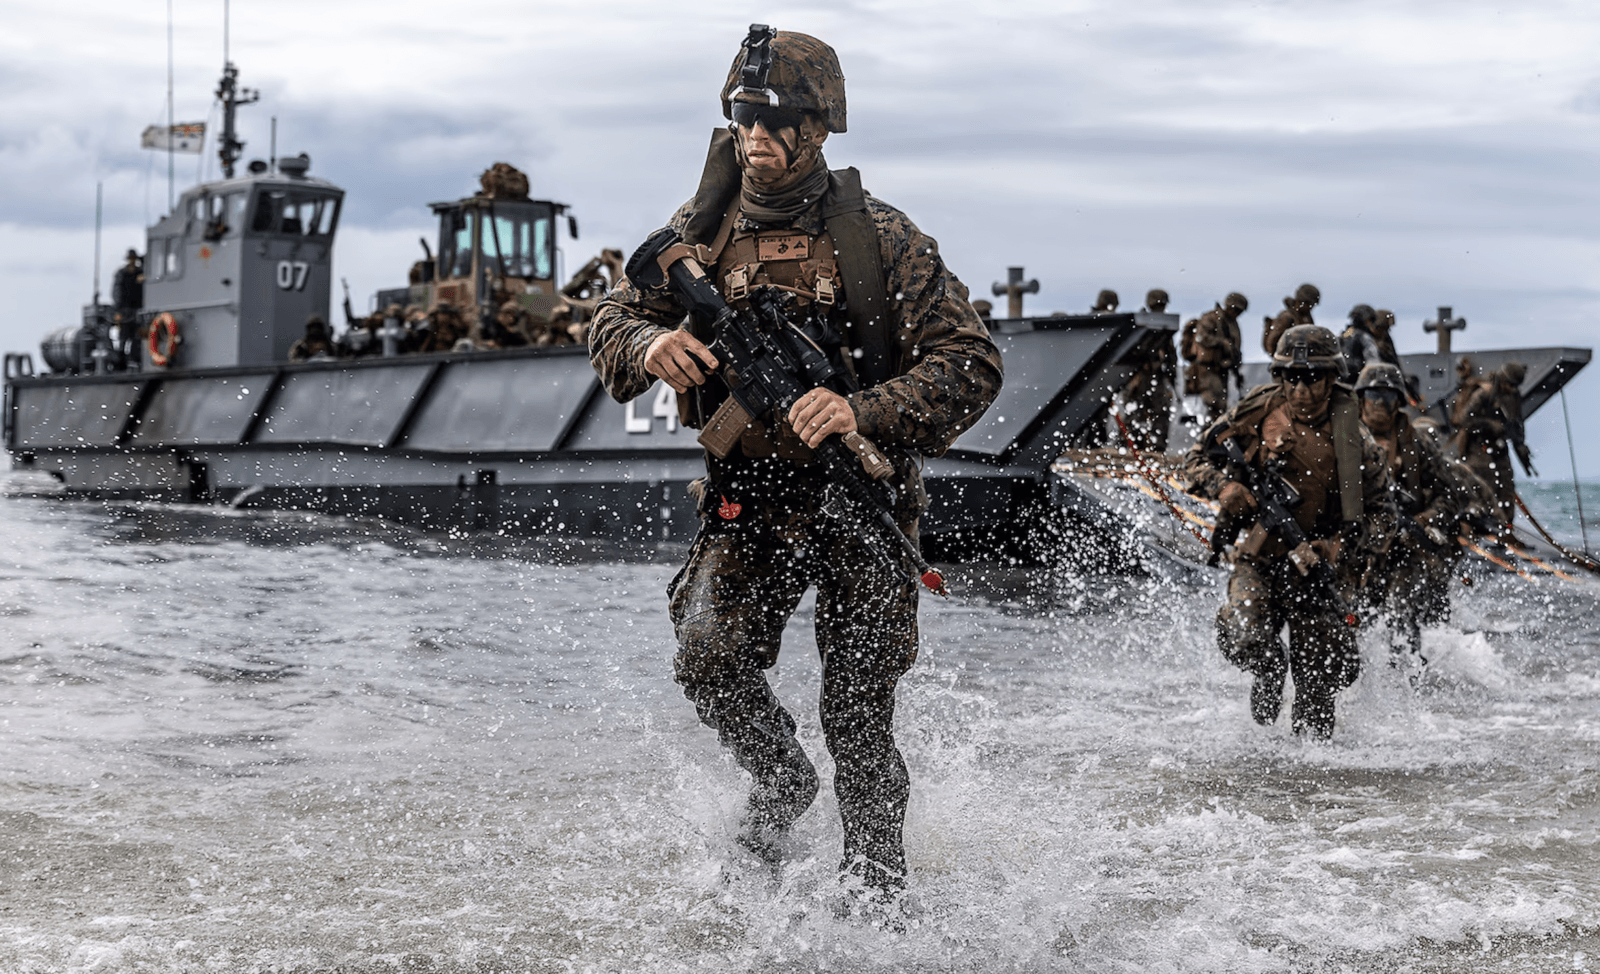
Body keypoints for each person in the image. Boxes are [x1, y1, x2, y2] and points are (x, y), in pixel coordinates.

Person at [587, 25, 1003, 900]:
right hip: (750, 498)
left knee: (856, 719)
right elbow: (608, 323)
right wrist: (649, 341)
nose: (757, 136)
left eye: (778, 121)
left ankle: (875, 905)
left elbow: (971, 363)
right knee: (706, 657)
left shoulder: (883, 239)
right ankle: (779, 780)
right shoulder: (695, 237)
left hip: (862, 504)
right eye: (744, 117)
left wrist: (861, 409)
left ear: (820, 130)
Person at [1199, 325, 1393, 738]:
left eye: (1311, 378)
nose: (1301, 390)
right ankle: (1268, 669)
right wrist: (1225, 487)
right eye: (1291, 378)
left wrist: (1340, 547)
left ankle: (1313, 785)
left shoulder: (1356, 440)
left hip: (1318, 571)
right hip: (1261, 556)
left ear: (1331, 377)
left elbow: (1385, 517)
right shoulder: (1258, 410)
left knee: (1321, 681)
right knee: (1243, 634)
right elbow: (1198, 458)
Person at [1352, 363, 1464, 663]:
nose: (1379, 403)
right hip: (1357, 545)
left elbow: (1451, 494)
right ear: (1360, 399)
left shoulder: (1416, 443)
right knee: (1352, 621)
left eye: (1387, 397)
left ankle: (1408, 687)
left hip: (1404, 547)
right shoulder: (1346, 440)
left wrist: (1423, 520)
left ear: (1398, 402)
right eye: (1373, 395)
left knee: (1400, 617)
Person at [1450, 361, 1534, 522]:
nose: (1513, 389)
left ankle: (1506, 527)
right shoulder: (1483, 394)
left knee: (1507, 488)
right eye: (1511, 385)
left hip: (1499, 448)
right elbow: (1464, 420)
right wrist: (1489, 425)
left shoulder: (1513, 396)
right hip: (1478, 448)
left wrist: (1520, 444)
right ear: (1503, 381)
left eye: (1516, 386)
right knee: (1485, 488)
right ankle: (1486, 528)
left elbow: (1517, 423)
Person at [1117, 288, 1178, 452]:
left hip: (1157, 377)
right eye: (1159, 304)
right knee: (1133, 412)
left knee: (1161, 412)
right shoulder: (1139, 324)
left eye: (1162, 305)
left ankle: (1157, 449)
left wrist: (1171, 374)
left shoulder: (1165, 327)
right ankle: (1127, 447)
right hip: (1139, 376)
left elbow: (1170, 355)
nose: (1161, 308)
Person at [1181, 291, 1247, 423]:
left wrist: (1236, 367)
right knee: (1213, 406)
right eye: (1235, 309)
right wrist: (1221, 342)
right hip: (1207, 370)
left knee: (1220, 408)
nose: (1236, 313)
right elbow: (1201, 337)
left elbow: (1234, 347)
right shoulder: (1212, 318)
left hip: (1222, 370)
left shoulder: (1232, 323)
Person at [1261, 282, 1320, 357]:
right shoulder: (1287, 317)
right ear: (1301, 301)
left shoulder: (1305, 317)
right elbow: (1272, 344)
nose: (1311, 308)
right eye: (1309, 304)